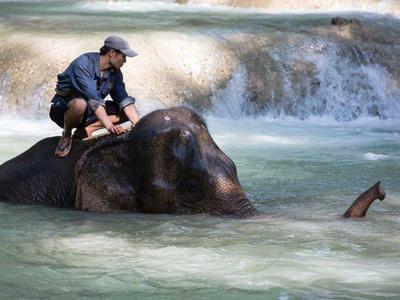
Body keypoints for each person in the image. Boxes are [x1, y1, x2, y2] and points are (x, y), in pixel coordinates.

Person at [49, 35, 140, 158]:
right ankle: (67, 134)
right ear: (112, 53)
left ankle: (87, 129)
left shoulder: (116, 74)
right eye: (124, 56)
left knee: (128, 111)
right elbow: (94, 101)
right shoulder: (83, 64)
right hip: (64, 110)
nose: (125, 61)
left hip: (91, 111)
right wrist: (110, 126)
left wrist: (140, 125)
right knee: (80, 104)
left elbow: (124, 101)